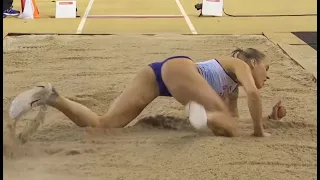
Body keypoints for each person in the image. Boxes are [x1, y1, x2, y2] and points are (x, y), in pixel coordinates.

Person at [9, 48, 287, 137]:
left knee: (104, 124)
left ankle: (51, 96)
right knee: (223, 119)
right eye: (266, 68)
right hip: (182, 69)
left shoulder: (233, 88)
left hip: (156, 77)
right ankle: (197, 114)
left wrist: (269, 120)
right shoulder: (239, 65)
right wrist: (260, 133)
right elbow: (255, 95)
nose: (268, 75)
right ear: (253, 63)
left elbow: (234, 120)